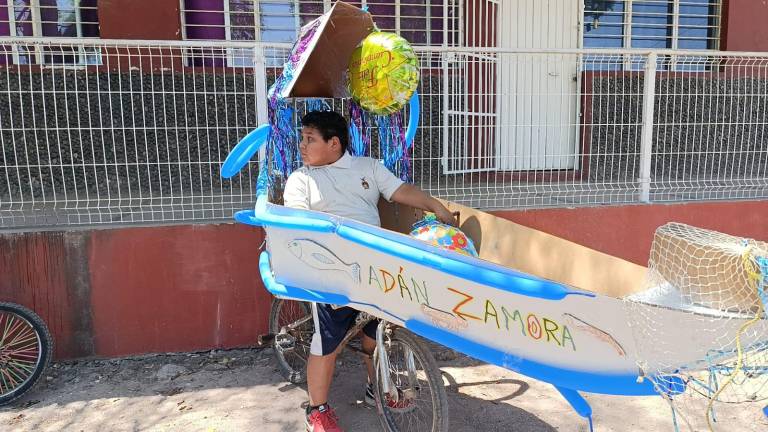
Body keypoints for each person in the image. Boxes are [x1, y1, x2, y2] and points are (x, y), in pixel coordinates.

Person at [283, 110, 455, 432]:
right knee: (327, 342)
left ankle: (376, 386)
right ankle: (316, 410)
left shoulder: (367, 168)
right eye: (302, 138)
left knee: (376, 331)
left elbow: (400, 190)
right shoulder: (301, 179)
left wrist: (435, 206)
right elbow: (297, 220)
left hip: (375, 269)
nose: (302, 145)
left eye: (310, 139)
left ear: (334, 143)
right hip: (330, 273)